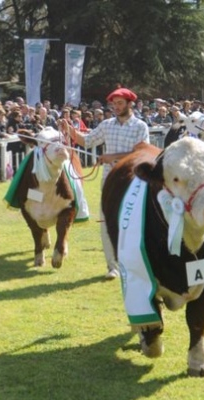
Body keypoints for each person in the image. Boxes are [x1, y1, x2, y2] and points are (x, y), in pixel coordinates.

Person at [61, 87, 149, 279]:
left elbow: (141, 154)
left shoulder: (140, 126)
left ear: (129, 104)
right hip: (109, 182)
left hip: (133, 182)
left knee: (133, 224)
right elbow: (87, 142)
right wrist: (69, 130)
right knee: (107, 223)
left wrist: (112, 157)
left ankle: (136, 262)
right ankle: (113, 267)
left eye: (119, 103)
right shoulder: (106, 125)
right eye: (113, 104)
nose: (116, 107)